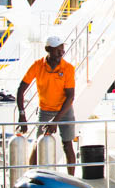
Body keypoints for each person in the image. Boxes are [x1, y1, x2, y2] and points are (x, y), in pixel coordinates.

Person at [17, 35, 76, 175]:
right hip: (45, 110)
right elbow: (21, 89)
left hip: (64, 111)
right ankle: (31, 176)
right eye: (57, 50)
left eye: (62, 50)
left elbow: (70, 97)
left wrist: (55, 121)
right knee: (38, 142)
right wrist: (22, 115)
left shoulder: (68, 68)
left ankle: (71, 178)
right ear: (48, 50)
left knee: (67, 145)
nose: (61, 53)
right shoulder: (38, 66)